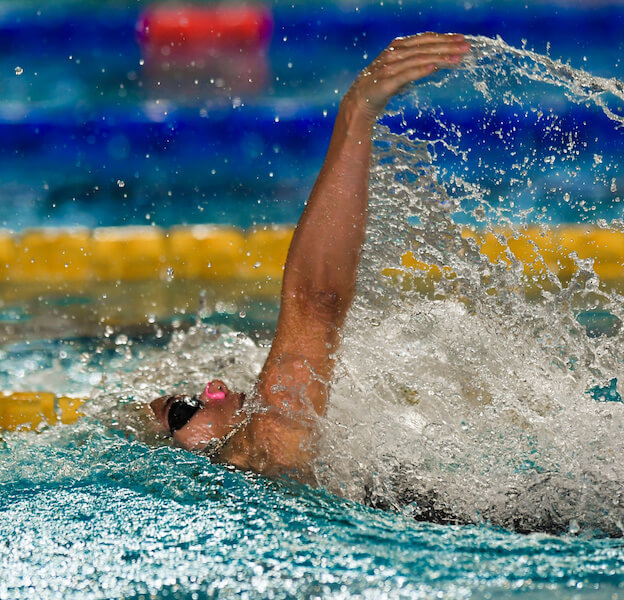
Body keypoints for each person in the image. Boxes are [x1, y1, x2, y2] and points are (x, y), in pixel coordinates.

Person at [150, 33, 472, 483]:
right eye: (184, 411)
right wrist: (356, 114)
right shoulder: (264, 443)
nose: (216, 388)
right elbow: (317, 301)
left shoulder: (259, 468)